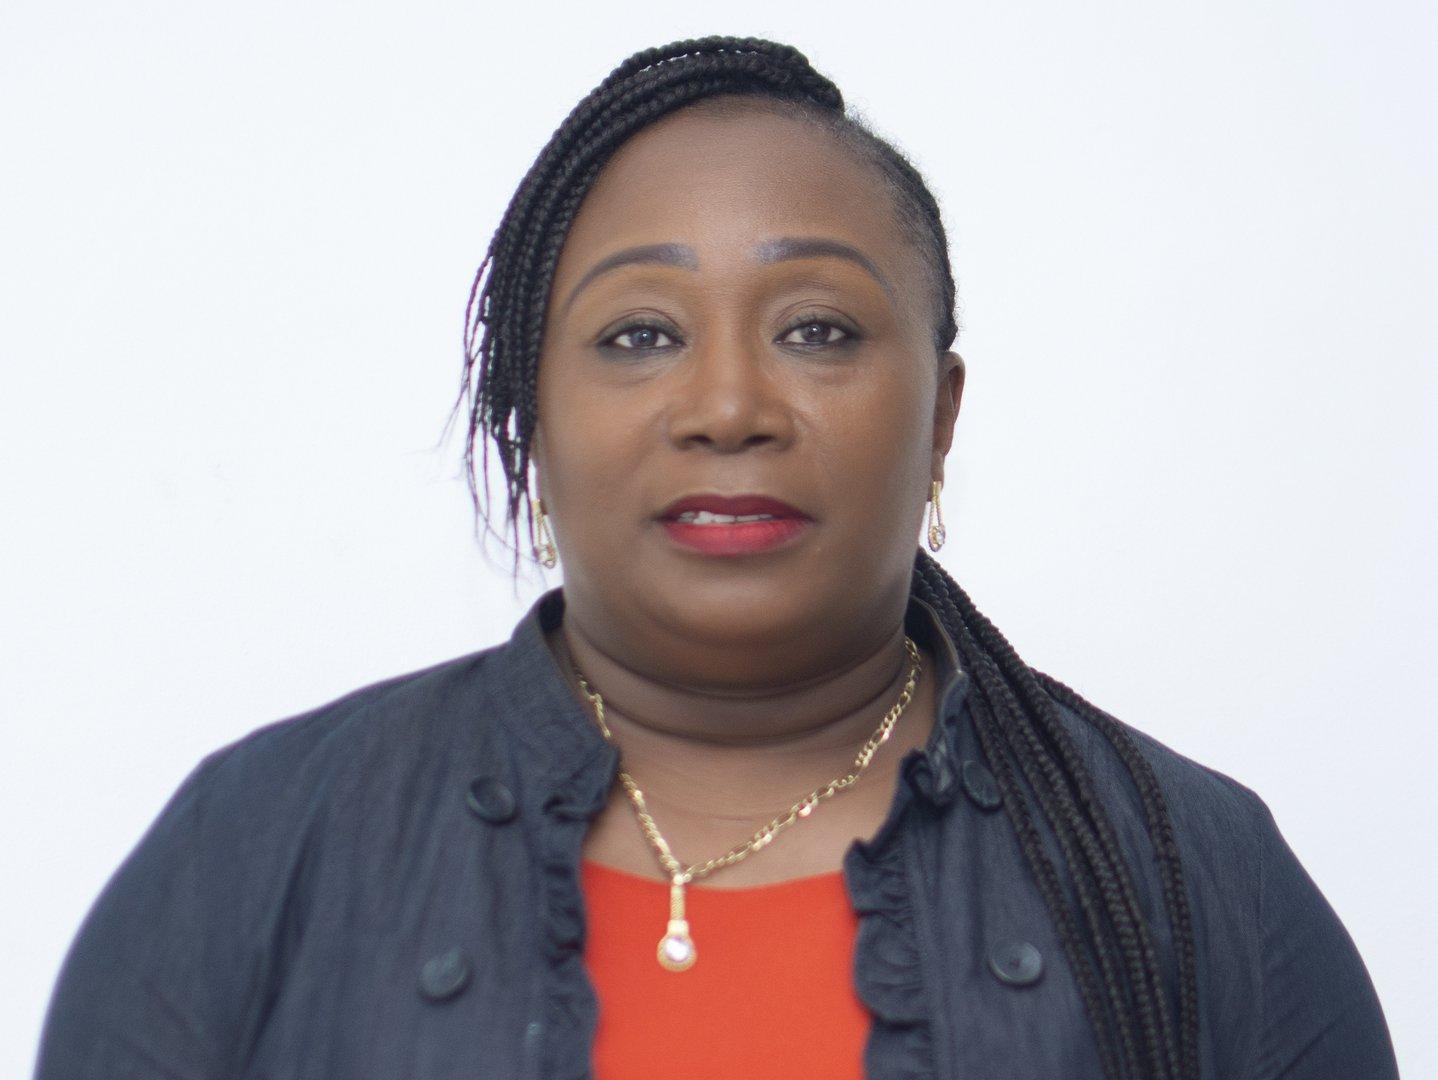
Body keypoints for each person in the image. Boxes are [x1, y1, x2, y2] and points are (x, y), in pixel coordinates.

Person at [33, 35, 1398, 1080]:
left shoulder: (1192, 874)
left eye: (817, 330)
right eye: (639, 335)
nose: (730, 406)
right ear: (533, 420)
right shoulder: (257, 847)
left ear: (940, 419)